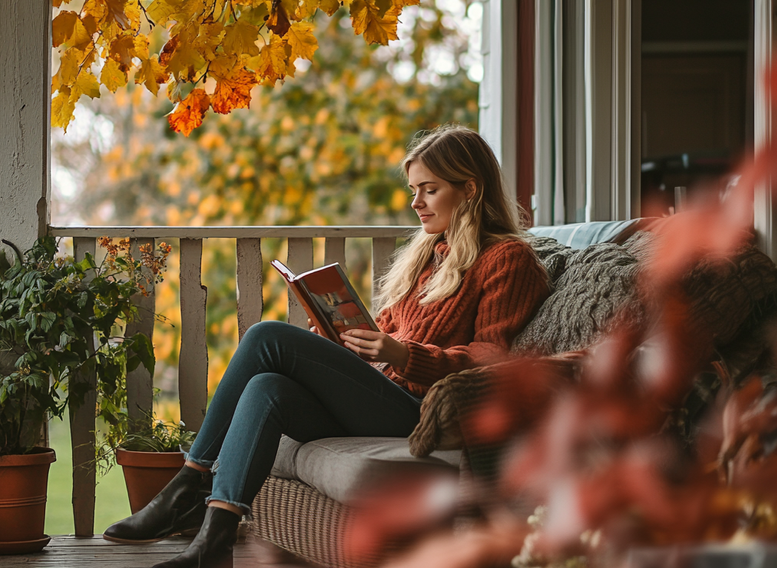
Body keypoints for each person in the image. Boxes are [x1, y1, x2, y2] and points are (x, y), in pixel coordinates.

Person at [104, 124, 552, 568]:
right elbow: (391, 331)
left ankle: (189, 482)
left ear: (470, 189)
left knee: (266, 337)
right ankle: (214, 543)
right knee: (266, 387)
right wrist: (344, 339)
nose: (416, 203)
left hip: (425, 413)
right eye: (413, 190)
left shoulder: (506, 259)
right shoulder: (430, 257)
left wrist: (401, 355)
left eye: (429, 190)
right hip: (384, 393)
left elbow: (493, 360)